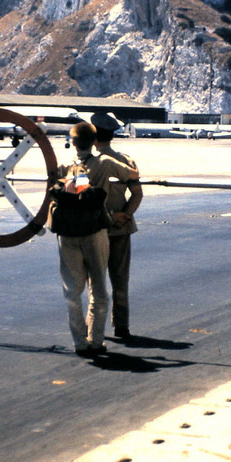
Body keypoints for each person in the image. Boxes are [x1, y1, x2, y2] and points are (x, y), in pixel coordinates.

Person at [52, 121, 138, 357]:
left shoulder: (64, 167)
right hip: (95, 231)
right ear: (94, 141)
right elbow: (133, 174)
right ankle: (96, 340)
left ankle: (79, 342)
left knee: (72, 290)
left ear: (72, 142)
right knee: (99, 289)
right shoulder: (105, 162)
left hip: (67, 234)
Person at [91, 112, 143, 341]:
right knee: (120, 279)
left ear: (94, 136)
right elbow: (137, 194)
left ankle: (96, 328)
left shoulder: (89, 163)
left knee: (96, 281)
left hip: (96, 228)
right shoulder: (126, 161)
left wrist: (110, 217)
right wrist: (125, 215)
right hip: (121, 228)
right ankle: (121, 326)